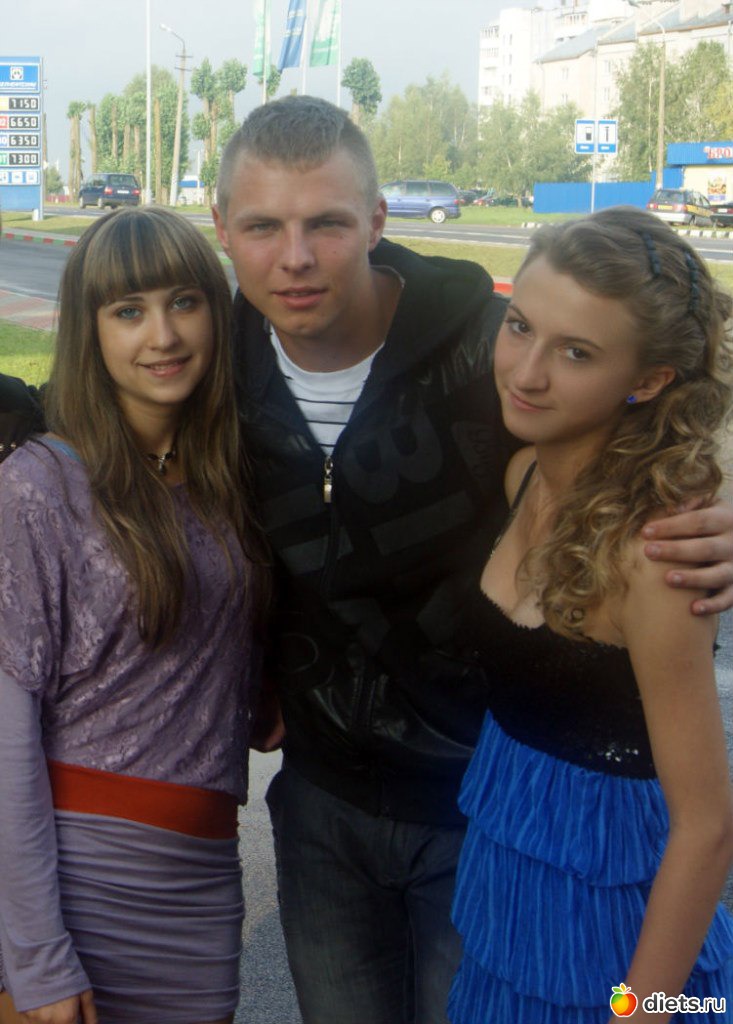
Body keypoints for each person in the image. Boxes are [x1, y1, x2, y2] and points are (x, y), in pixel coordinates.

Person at [212, 95, 733, 1024]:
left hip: (482, 814)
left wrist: (718, 514)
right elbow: (95, 423)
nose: (294, 258)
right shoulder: (210, 361)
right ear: (222, 229)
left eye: (326, 222)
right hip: (331, 801)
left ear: (377, 219)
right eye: (262, 226)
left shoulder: (479, 349)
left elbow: (636, 440)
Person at [447, 207, 733, 1024]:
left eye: (575, 352)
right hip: (507, 902)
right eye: (519, 327)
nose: (526, 372)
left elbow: (706, 826)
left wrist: (638, 1011)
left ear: (648, 380)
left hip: (612, 933)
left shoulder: (653, 554)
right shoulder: (522, 476)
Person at [0, 207, 267, 1024]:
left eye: (185, 301)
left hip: (205, 880)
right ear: (91, 332)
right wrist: (37, 956)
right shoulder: (39, 488)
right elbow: (7, 736)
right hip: (81, 885)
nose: (163, 335)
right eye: (128, 311)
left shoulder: (228, 474)